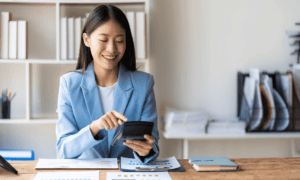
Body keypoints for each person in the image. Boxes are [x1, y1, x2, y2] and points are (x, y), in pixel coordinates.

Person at [56, 4, 159, 163]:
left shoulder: (143, 84)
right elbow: (64, 149)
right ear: (87, 40)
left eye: (119, 41)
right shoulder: (69, 84)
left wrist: (146, 150)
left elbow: (153, 145)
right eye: (103, 39)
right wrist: (94, 127)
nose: (111, 49)